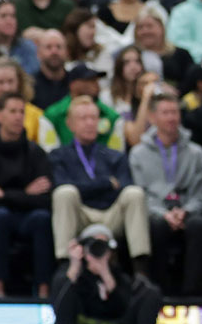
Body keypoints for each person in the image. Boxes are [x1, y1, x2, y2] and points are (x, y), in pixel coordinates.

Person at [0, 93, 55, 297]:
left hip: (26, 216)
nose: (18, 117)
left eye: (21, 112)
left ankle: (43, 292)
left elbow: (45, 199)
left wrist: (4, 195)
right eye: (12, 111)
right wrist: (25, 194)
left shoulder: (35, 152)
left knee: (42, 219)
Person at [48, 223, 170, 324]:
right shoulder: (73, 273)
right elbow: (59, 301)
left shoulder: (116, 273)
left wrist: (105, 273)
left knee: (150, 291)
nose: (98, 249)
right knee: (64, 283)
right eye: (94, 244)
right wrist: (74, 265)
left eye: (103, 245)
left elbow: (123, 305)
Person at [49, 95, 149, 276]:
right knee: (64, 193)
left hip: (111, 214)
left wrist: (87, 188)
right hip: (81, 214)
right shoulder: (58, 156)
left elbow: (124, 186)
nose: (89, 123)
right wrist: (105, 184)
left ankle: (141, 271)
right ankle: (64, 267)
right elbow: (61, 185)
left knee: (134, 194)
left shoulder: (114, 155)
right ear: (70, 124)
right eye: (83, 118)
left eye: (93, 118)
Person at [131, 91, 202, 296]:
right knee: (155, 226)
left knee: (199, 225)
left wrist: (185, 211)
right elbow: (139, 194)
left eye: (175, 112)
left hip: (188, 210)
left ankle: (194, 294)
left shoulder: (196, 153)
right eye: (165, 113)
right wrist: (163, 213)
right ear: (152, 117)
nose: (171, 118)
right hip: (156, 212)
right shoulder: (138, 154)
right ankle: (158, 292)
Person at [43, 63, 124, 150]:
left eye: (97, 80)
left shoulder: (112, 116)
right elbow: (49, 152)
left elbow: (117, 154)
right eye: (90, 80)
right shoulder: (52, 116)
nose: (96, 85)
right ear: (73, 84)